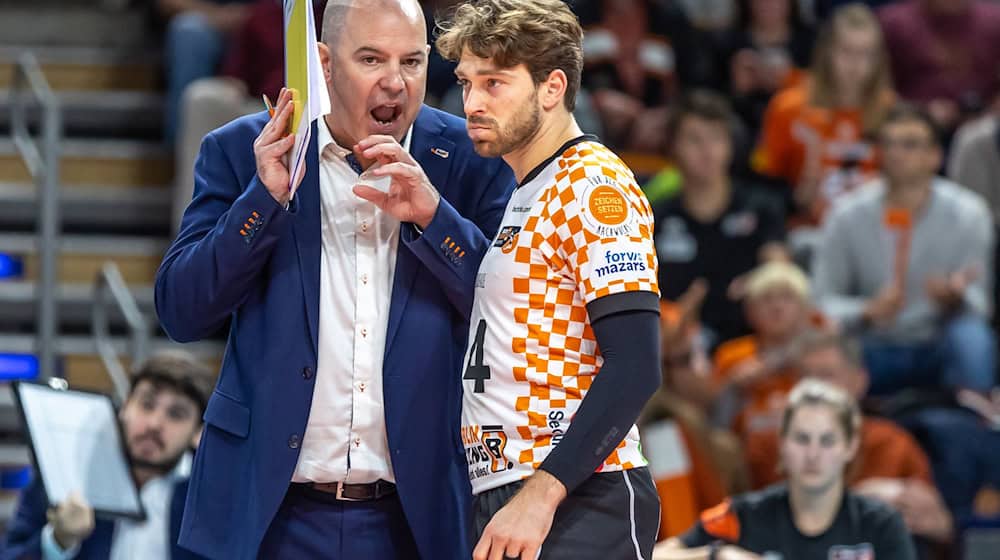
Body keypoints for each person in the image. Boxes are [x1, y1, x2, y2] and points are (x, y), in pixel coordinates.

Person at [154, 0, 516, 557]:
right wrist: (263, 200)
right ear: (323, 63)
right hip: (266, 514)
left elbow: (515, 317)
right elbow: (182, 311)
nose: (395, 83)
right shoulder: (243, 150)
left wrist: (433, 217)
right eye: (371, 59)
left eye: (412, 62)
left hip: (415, 518)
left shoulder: (472, 159)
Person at [435, 0, 662, 557]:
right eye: (467, 83)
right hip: (508, 486)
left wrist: (542, 493)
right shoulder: (529, 189)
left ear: (551, 87)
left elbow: (636, 364)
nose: (473, 103)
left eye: (495, 83)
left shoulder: (593, 184)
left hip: (576, 491)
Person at [812, 104, 996, 396]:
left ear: (935, 155)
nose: (896, 153)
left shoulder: (969, 213)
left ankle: (979, 426)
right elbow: (822, 302)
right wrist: (865, 310)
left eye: (910, 144)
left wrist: (955, 297)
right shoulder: (846, 215)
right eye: (888, 144)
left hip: (937, 339)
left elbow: (980, 303)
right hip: (871, 343)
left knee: (972, 338)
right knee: (824, 347)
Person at [653, 378, 918, 560]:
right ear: (782, 443)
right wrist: (715, 555)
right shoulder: (742, 516)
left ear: (850, 447)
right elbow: (654, 555)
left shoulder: (881, 524)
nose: (813, 454)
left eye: (827, 441)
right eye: (802, 439)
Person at [748, 332, 953, 548]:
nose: (816, 388)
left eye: (827, 375)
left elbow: (937, 528)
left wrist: (940, 526)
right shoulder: (768, 444)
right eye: (805, 377)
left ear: (860, 381)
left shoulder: (893, 442)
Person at [3, 351, 214, 560]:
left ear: (198, 432)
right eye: (146, 404)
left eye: (176, 414)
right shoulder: (65, 473)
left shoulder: (213, 498)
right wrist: (58, 541)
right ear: (124, 407)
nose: (154, 424)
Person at [654, 90, 788, 346]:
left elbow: (778, 268)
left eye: (716, 138)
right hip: (675, 348)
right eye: (694, 140)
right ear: (673, 147)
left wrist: (759, 282)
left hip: (752, 343)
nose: (707, 151)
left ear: (731, 144)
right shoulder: (653, 218)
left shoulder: (761, 206)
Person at [752, 3, 893, 230]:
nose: (856, 65)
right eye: (847, 51)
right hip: (806, 230)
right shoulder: (787, 107)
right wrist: (799, 195)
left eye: (866, 54)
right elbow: (762, 186)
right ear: (828, 52)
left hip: (873, 231)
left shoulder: (891, 112)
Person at [878, 0, 1000, 134]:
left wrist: (989, 112)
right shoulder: (894, 23)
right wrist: (920, 112)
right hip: (910, 129)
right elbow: (876, 89)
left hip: (987, 129)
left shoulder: (994, 22)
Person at [157, 0, 254, 144]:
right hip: (206, 22)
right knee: (189, 30)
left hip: (261, 19)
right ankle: (179, 145)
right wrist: (217, 15)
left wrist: (255, 15)